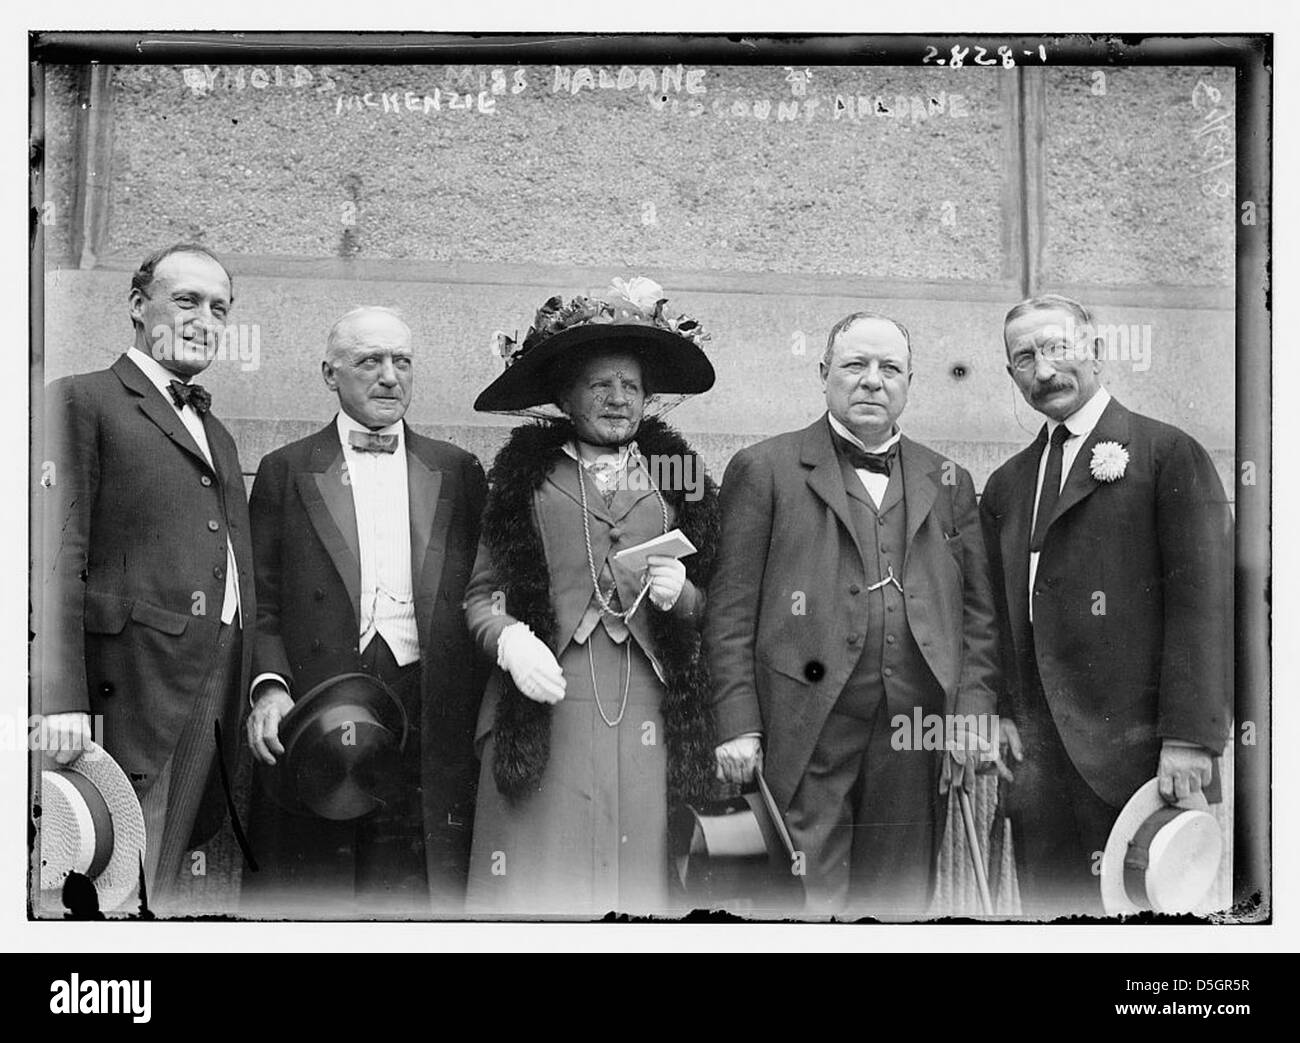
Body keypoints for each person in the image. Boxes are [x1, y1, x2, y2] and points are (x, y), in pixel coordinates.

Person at [704, 311, 1002, 918]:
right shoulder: (765, 469)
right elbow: (729, 612)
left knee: (897, 898)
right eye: (855, 365)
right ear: (823, 374)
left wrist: (972, 714)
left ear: (910, 382)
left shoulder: (949, 480)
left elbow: (978, 616)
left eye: (889, 368)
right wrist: (738, 723)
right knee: (803, 895)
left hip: (915, 730)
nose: (872, 381)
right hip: (804, 725)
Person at [463, 278, 719, 916]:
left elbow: (726, 605)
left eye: (631, 386)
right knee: (541, 870)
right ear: (564, 395)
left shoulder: (679, 479)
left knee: (638, 876)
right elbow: (481, 596)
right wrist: (511, 642)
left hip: (647, 700)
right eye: (600, 384)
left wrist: (684, 595)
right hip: (548, 693)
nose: (617, 398)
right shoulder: (524, 480)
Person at [979, 294, 1232, 917]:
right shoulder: (1009, 483)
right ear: (1011, 374)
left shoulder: (1164, 454)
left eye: (1057, 348)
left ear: (1095, 350)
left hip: (1138, 757)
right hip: (1038, 766)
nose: (1043, 371)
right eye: (1023, 358)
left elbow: (1205, 607)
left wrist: (1190, 738)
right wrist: (1001, 715)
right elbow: (994, 616)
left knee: (1143, 924)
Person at [241, 306, 486, 916]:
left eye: (401, 361)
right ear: (330, 374)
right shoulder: (285, 469)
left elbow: (484, 593)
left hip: (424, 705)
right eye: (368, 361)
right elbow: (260, 601)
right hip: (317, 704)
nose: (388, 376)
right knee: (311, 881)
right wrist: (270, 689)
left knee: (411, 886)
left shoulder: (457, 470)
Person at [36, 243, 254, 911]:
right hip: (129, 685)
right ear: (138, 306)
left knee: (157, 874)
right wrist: (61, 698)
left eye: (219, 308)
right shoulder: (81, 399)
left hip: (215, 683)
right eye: (186, 300)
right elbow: (52, 555)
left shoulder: (216, 430)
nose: (204, 318)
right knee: (101, 875)